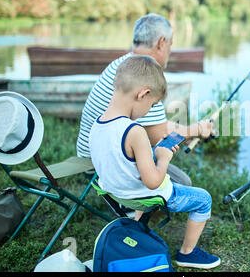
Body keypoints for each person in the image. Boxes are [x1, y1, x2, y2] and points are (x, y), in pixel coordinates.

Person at [89, 55, 220, 269]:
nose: (149, 111)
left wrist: (152, 152)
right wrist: (163, 157)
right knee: (204, 199)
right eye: (152, 105)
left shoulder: (98, 124)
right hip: (147, 195)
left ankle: (137, 226)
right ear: (143, 94)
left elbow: (120, 159)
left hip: (117, 193)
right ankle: (187, 253)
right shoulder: (135, 131)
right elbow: (153, 182)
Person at [77, 13, 213, 186]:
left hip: (89, 153)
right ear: (162, 43)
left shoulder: (125, 66)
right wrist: (196, 130)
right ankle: (134, 211)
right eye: (170, 45)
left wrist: (191, 129)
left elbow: (155, 127)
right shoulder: (147, 77)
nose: (169, 51)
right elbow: (160, 138)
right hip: (100, 164)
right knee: (182, 183)